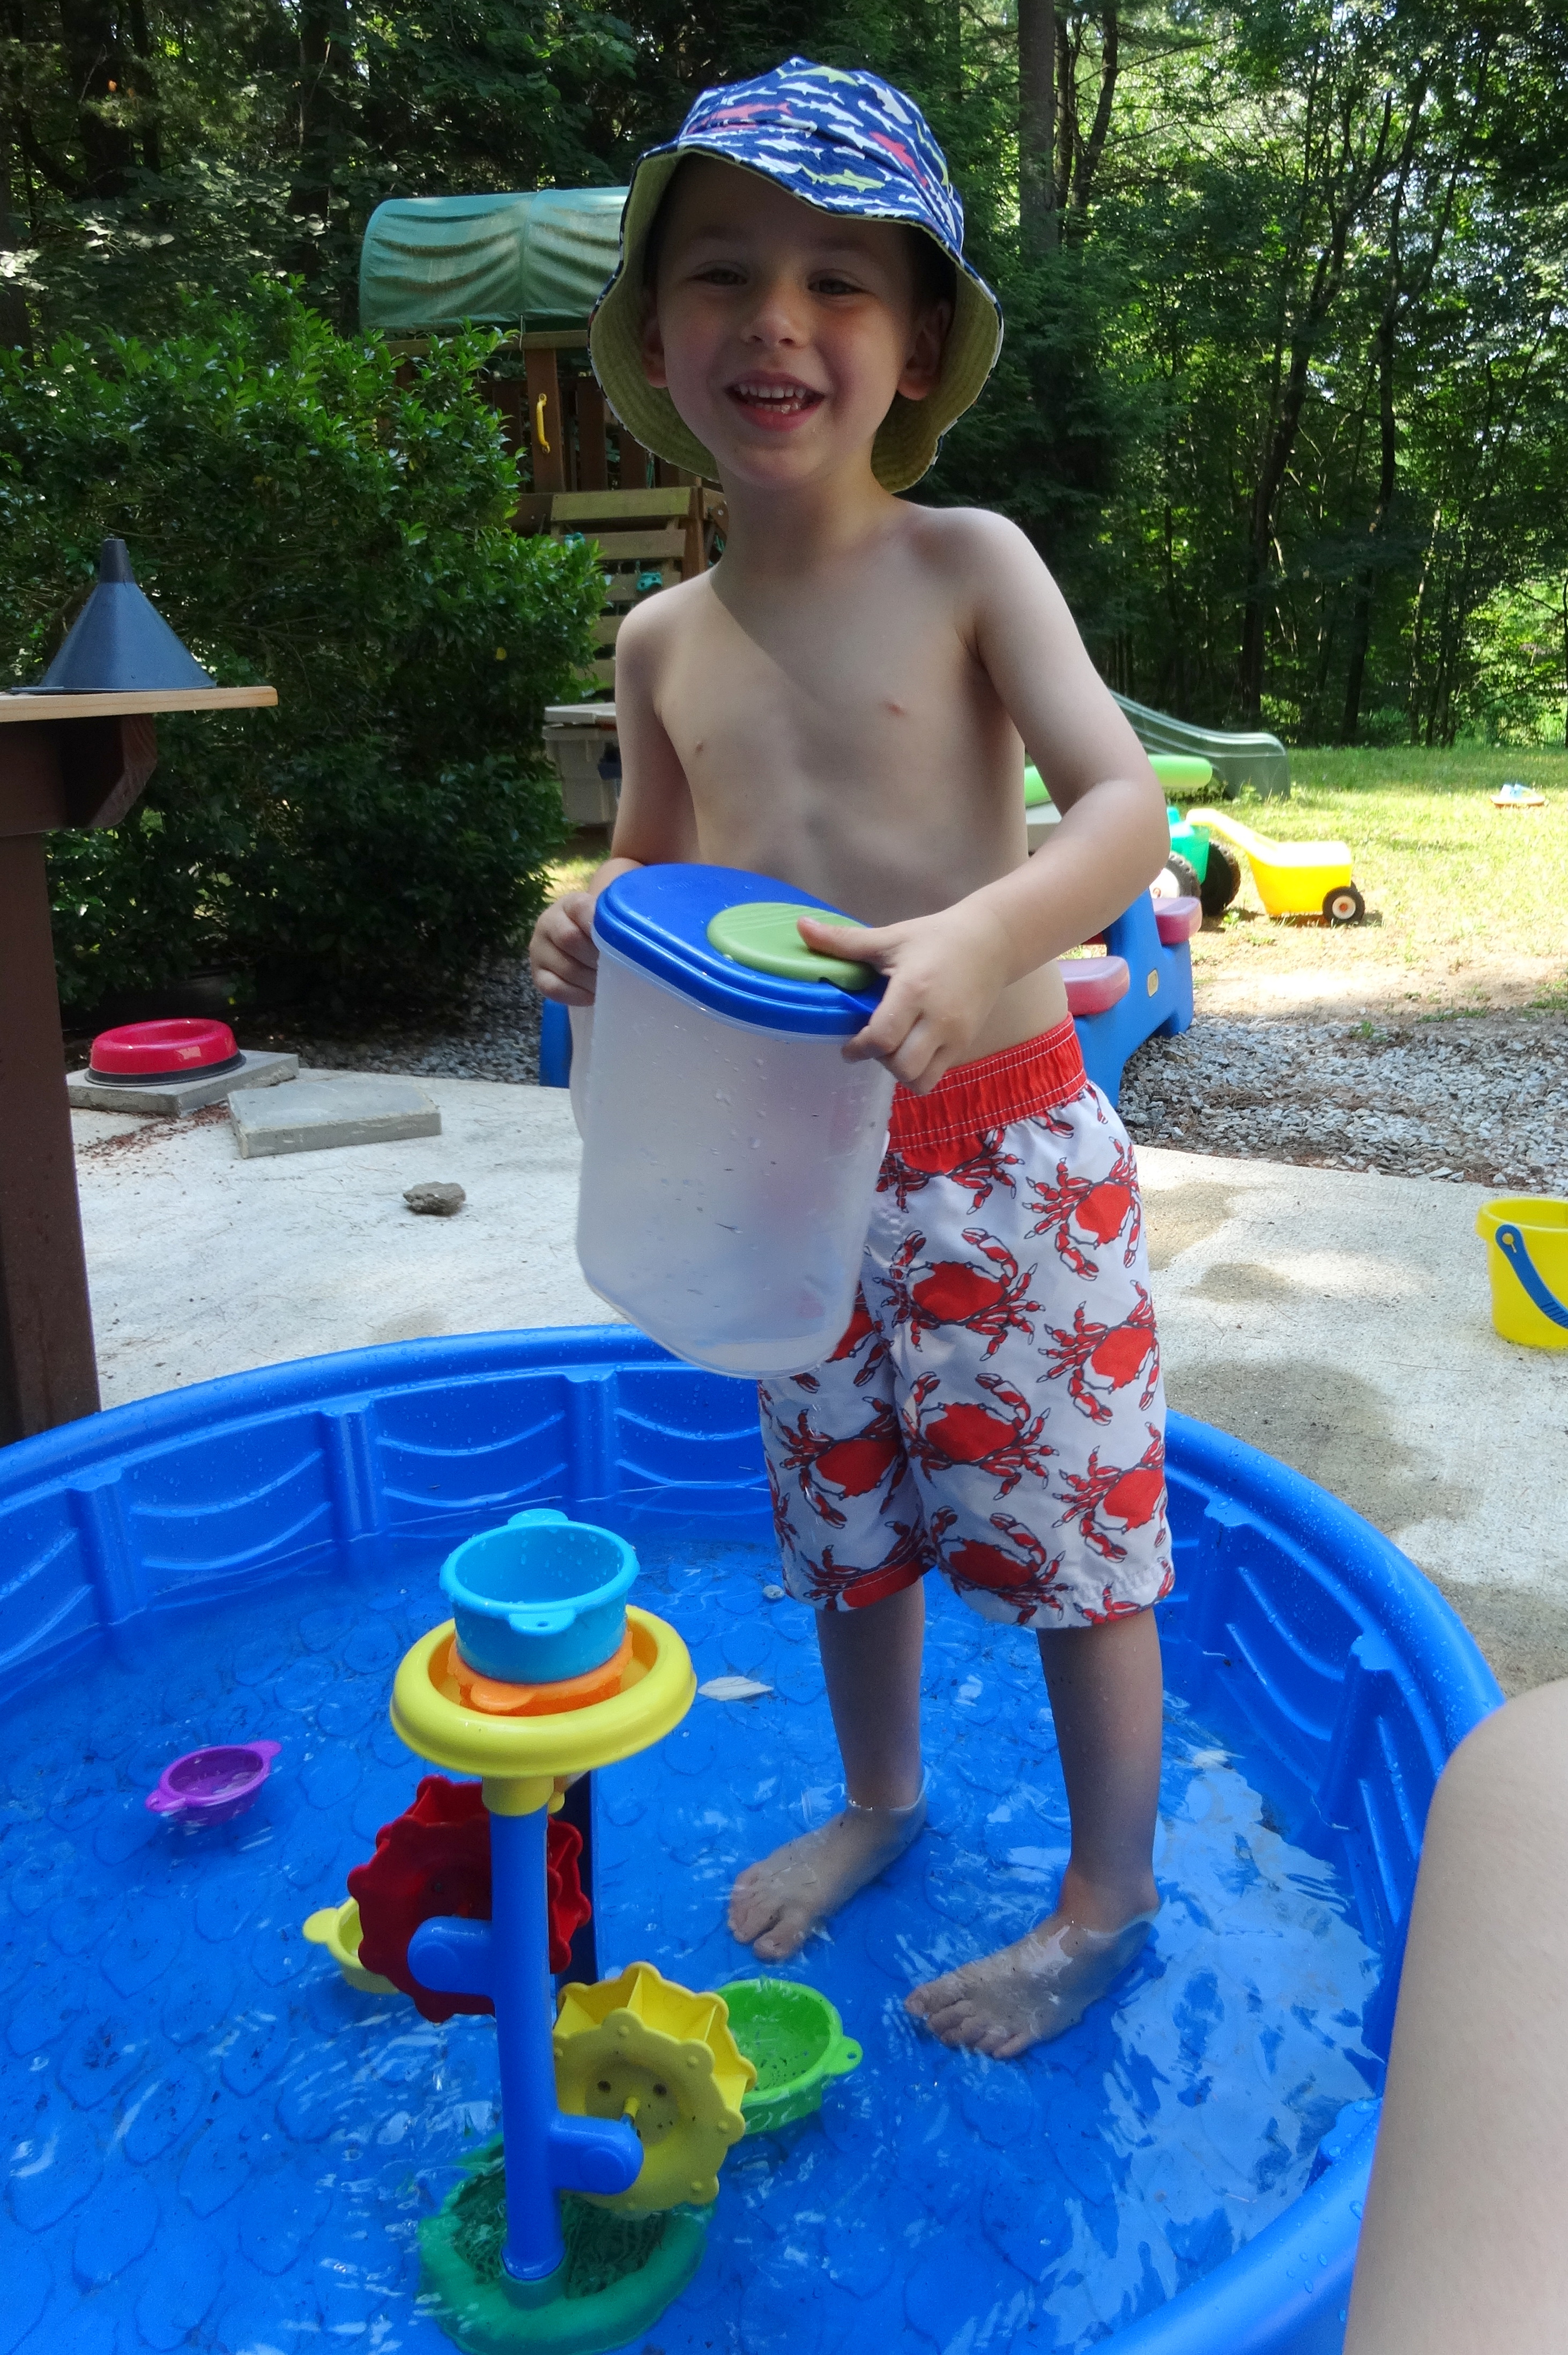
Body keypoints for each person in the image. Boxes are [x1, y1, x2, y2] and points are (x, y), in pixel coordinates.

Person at [531, 57, 1173, 2061]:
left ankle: (1107, 1900)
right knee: (847, 1528)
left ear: (913, 350)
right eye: (724, 274)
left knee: (1078, 1545)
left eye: (839, 283)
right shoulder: (664, 642)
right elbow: (664, 889)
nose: (778, 320)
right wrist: (586, 932)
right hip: (795, 1169)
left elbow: (1124, 809)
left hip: (1008, 1154)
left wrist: (990, 931)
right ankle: (884, 1802)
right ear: (660, 338)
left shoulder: (967, 563)